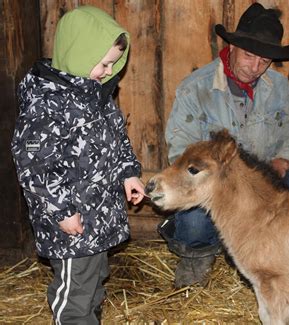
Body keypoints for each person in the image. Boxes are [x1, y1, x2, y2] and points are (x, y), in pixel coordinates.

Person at [159, 2, 289, 288]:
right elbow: (181, 148)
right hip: (214, 184)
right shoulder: (195, 88)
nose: (255, 67)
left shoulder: (278, 89)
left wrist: (286, 160)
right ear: (232, 47)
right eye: (249, 56)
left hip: (260, 186)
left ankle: (285, 260)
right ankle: (197, 255)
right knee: (193, 220)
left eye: (265, 61)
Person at [11, 6, 145, 324]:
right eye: (102, 63)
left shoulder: (97, 96)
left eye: (113, 63)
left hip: (99, 216)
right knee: (75, 293)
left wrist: (128, 174)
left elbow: (118, 141)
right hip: (72, 223)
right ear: (78, 52)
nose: (107, 70)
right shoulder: (47, 104)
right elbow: (35, 167)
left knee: (94, 281)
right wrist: (61, 212)